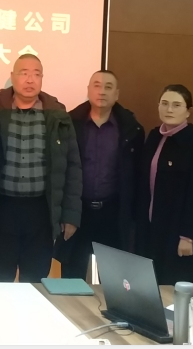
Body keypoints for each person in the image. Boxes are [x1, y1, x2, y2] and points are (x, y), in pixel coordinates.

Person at [0, 54, 82, 283]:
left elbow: (72, 167)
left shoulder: (58, 116)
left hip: (42, 211)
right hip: (1, 209)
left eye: (36, 74)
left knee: (36, 281)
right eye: (24, 73)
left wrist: (70, 215)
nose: (30, 79)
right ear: (12, 77)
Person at [55, 70, 144, 279]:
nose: (102, 91)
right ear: (88, 90)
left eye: (108, 87)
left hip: (113, 213)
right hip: (78, 212)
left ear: (117, 94)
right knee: (72, 276)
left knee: (114, 280)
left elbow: (138, 178)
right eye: (96, 85)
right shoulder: (69, 124)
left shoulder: (131, 130)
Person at [134, 85, 193, 297]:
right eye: (165, 103)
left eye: (176, 105)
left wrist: (188, 235)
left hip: (177, 232)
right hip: (151, 229)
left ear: (188, 111)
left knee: (170, 288)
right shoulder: (154, 137)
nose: (169, 109)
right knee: (149, 286)